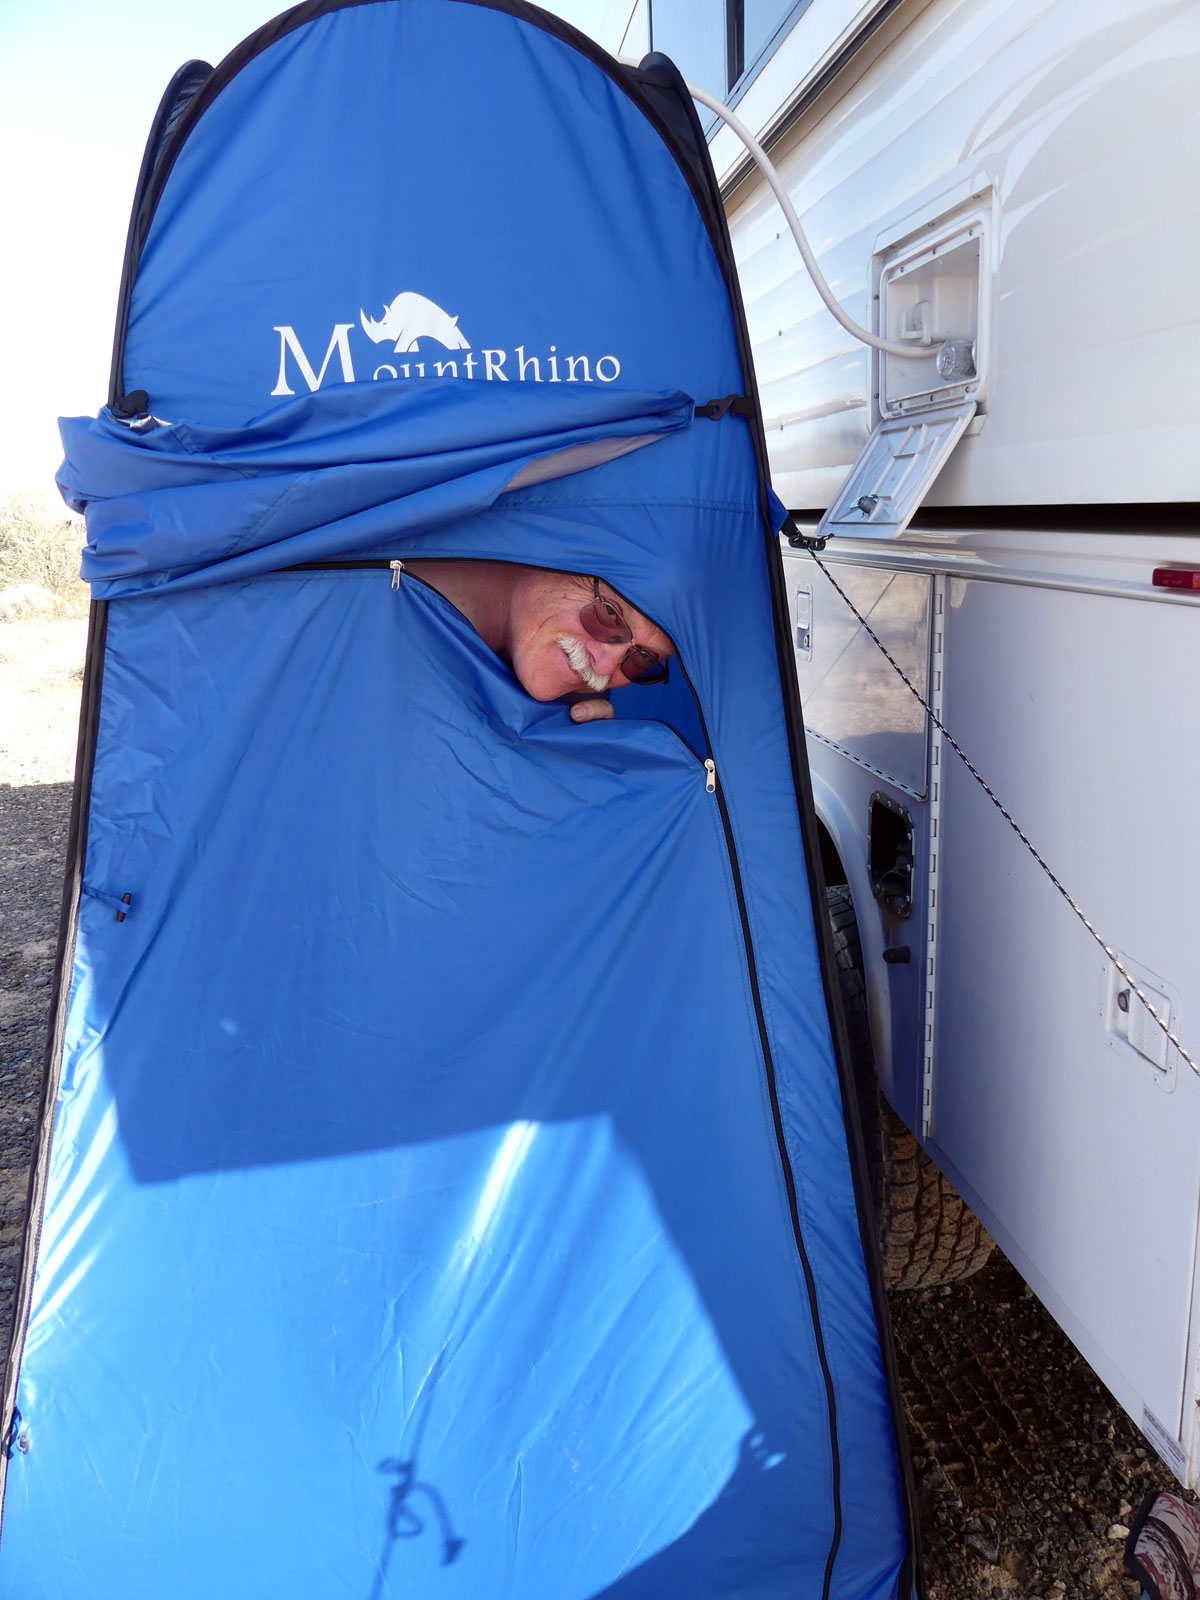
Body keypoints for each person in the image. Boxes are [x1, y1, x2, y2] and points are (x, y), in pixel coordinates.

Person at [401, 561, 674, 722]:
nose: (604, 667)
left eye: (643, 659)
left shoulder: (581, 716)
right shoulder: (396, 589)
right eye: (610, 614)